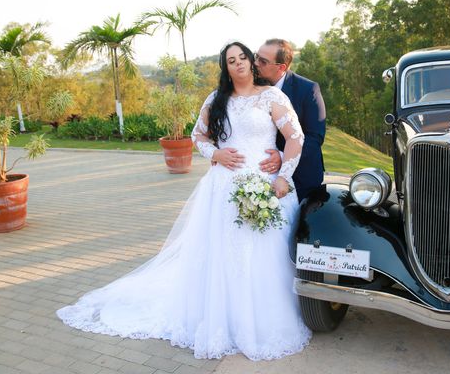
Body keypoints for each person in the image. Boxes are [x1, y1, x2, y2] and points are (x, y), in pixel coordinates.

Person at [57, 41, 311, 360]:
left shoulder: (273, 96)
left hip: (264, 183)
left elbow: (295, 137)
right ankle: (222, 319)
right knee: (222, 255)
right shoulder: (216, 99)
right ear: (226, 67)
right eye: (231, 60)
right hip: (223, 187)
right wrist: (215, 152)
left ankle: (261, 319)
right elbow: (197, 136)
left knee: (262, 255)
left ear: (252, 62)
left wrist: (284, 177)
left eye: (243, 57)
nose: (240, 63)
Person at [256, 39, 326, 201]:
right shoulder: (252, 87)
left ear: (282, 67)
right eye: (256, 57)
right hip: (262, 173)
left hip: (301, 176)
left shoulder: (308, 90)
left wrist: (282, 157)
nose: (256, 63)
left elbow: (315, 137)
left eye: (263, 61)